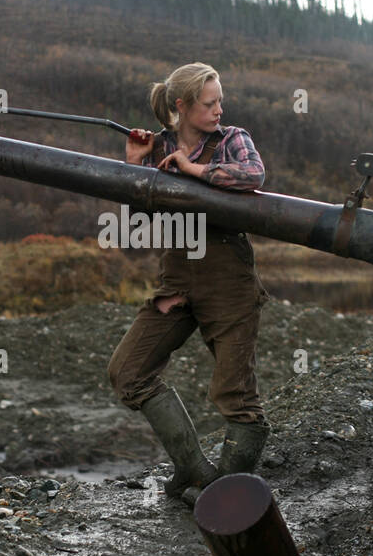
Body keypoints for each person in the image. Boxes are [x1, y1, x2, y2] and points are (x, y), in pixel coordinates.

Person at [106, 62, 271, 503]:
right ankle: (196, 472)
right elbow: (140, 222)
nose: (219, 109)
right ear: (181, 106)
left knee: (235, 395)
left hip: (228, 281)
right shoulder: (156, 145)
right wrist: (136, 168)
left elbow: (254, 177)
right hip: (176, 281)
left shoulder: (233, 139)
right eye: (209, 103)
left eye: (220, 101)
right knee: (128, 371)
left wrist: (190, 169)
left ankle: (228, 498)